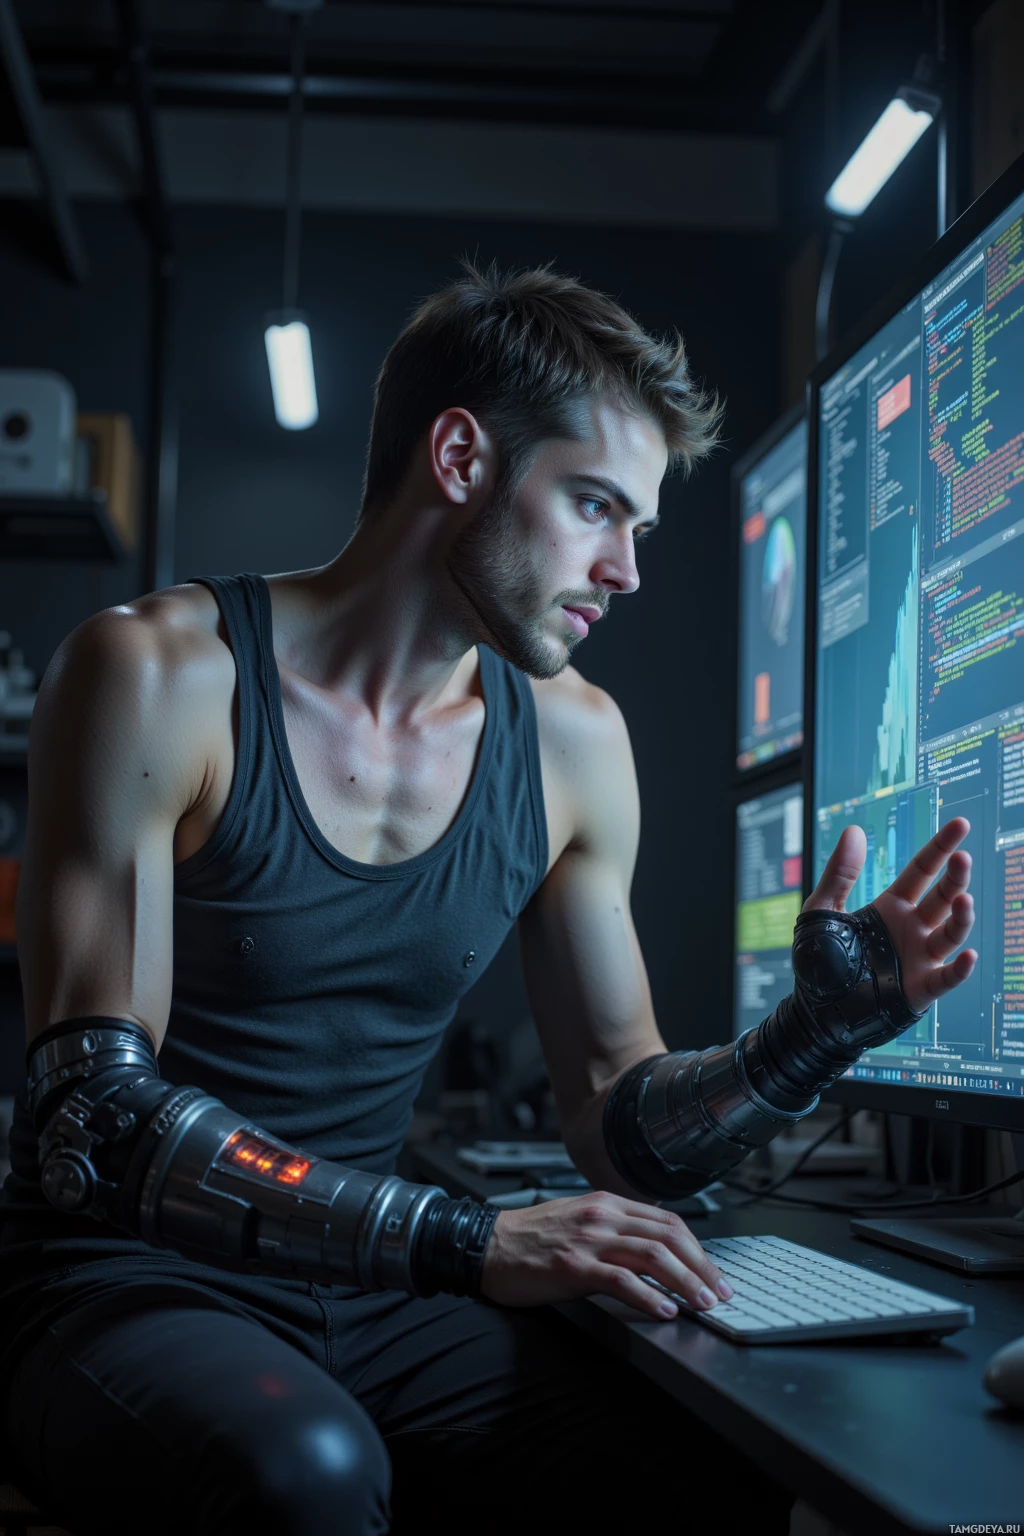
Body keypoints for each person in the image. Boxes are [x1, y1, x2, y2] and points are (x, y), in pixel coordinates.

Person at [0, 264, 975, 1536]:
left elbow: (618, 1126)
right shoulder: (158, 676)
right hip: (125, 1282)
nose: (625, 569)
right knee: (302, 1474)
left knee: (714, 1463)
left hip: (371, 1288)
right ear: (459, 457)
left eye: (639, 528)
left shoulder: (573, 743)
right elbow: (95, 1122)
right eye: (595, 506)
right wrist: (471, 1241)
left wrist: (806, 1041)